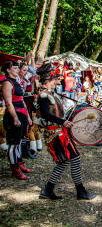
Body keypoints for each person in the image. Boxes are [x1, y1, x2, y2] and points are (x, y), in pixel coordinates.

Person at [34, 63, 96, 200]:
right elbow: (44, 114)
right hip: (54, 133)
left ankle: (48, 190)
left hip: (58, 131)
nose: (57, 81)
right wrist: (63, 122)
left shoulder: (49, 93)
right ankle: (80, 191)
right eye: (55, 79)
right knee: (74, 158)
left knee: (64, 161)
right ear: (48, 80)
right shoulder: (44, 95)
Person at [1, 61, 33, 180]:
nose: (17, 70)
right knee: (13, 144)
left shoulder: (17, 82)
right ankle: (15, 169)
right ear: (8, 70)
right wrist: (15, 118)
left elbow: (22, 100)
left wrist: (28, 117)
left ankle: (19, 164)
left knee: (19, 141)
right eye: (14, 68)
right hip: (13, 115)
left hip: (22, 114)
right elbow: (9, 103)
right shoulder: (7, 83)